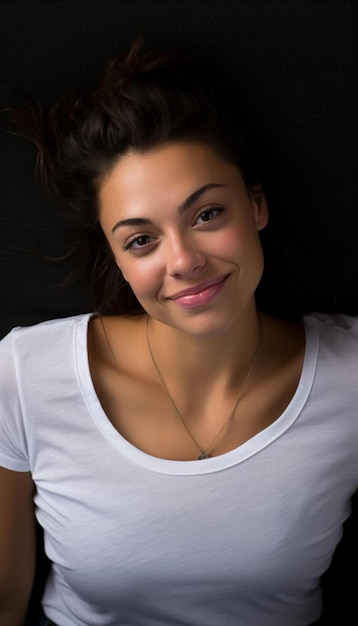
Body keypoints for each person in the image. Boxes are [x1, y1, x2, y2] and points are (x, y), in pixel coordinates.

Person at [0, 38, 357, 626]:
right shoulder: (26, 372)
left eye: (207, 214)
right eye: (141, 240)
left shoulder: (350, 375)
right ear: (116, 257)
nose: (184, 260)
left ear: (257, 205)